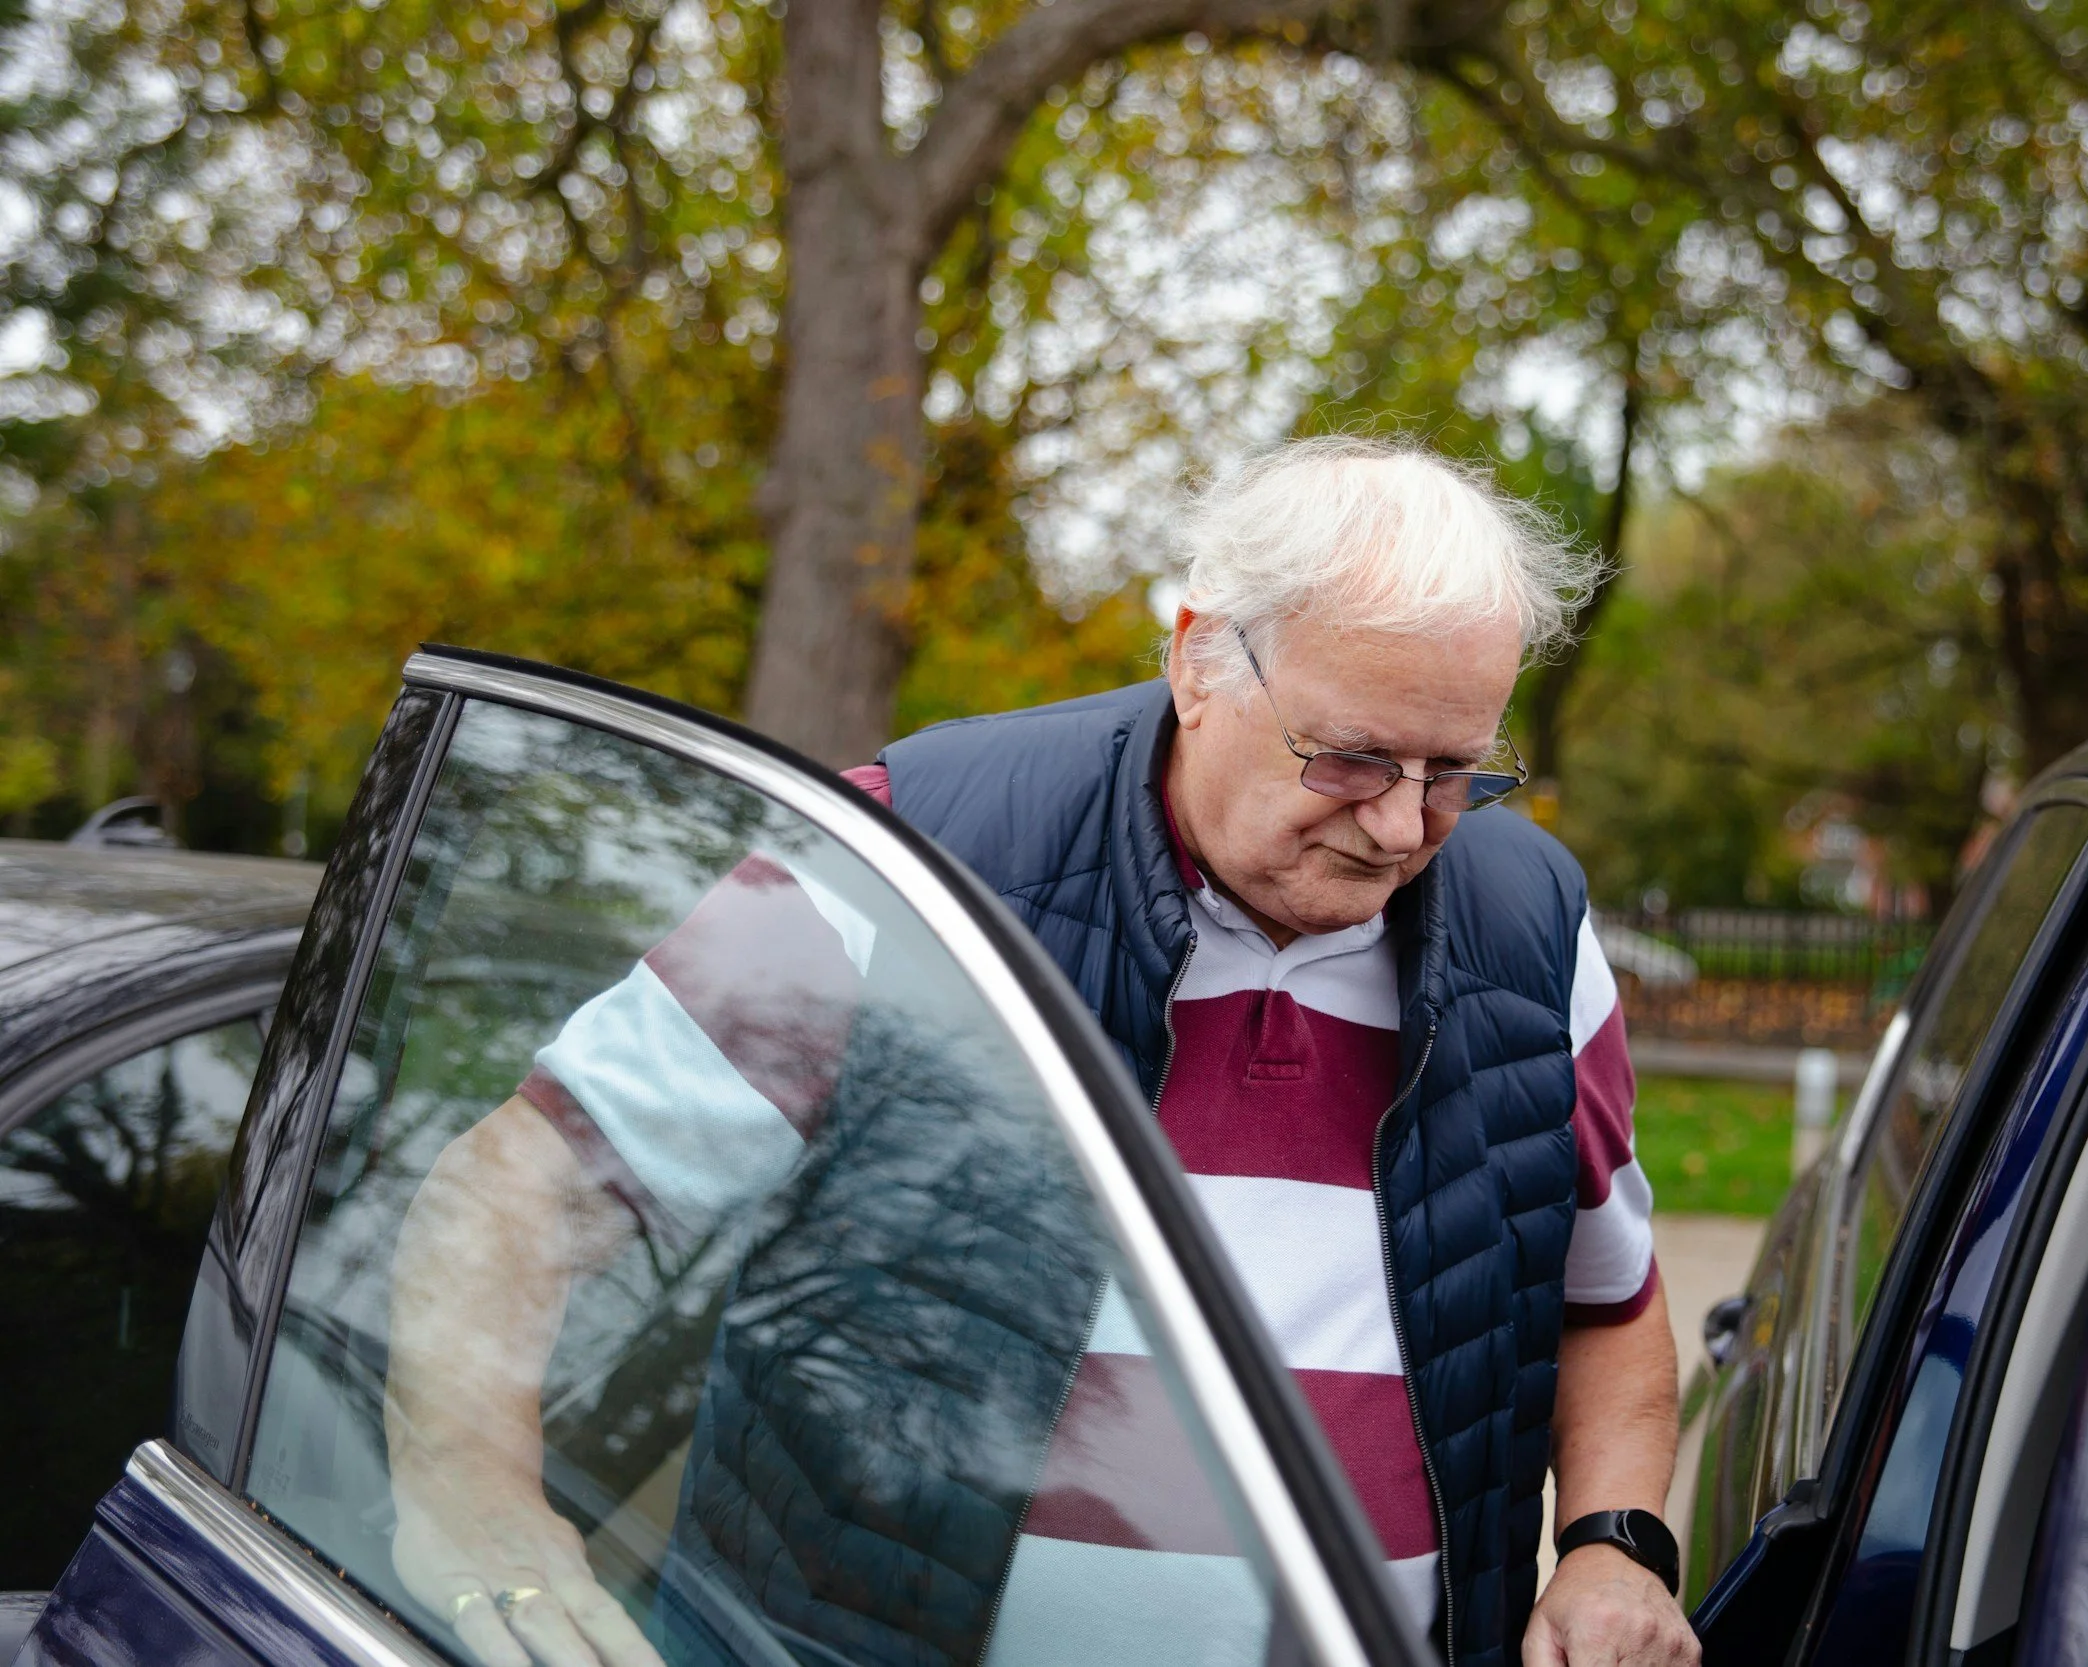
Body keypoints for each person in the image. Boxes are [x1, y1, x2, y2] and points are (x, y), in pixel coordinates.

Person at [383, 436, 1699, 1667]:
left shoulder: (1532, 925)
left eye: (1457, 767)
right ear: (1197, 664)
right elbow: (528, 1182)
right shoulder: (917, 852)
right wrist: (463, 1489)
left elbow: (1610, 1308)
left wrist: (1613, 1544)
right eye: (1352, 759)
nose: (1406, 825)